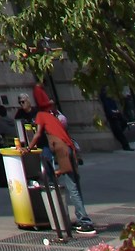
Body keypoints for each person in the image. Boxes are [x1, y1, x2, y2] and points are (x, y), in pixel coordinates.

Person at [29, 86, 95, 232]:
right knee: (75, 186)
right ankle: (81, 217)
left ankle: (85, 221)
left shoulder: (41, 115)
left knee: (72, 188)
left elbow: (38, 134)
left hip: (63, 151)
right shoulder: (54, 115)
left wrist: (28, 148)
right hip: (70, 148)